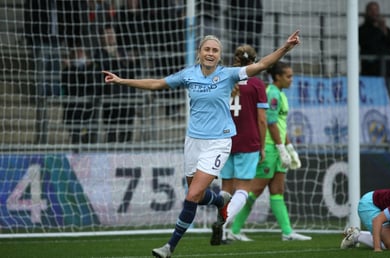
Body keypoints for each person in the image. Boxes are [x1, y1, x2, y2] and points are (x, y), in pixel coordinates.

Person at [102, 30, 301, 258]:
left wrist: (285, 47)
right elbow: (157, 84)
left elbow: (262, 64)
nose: (210, 53)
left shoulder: (228, 74)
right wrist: (121, 80)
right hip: (193, 141)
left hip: (218, 142)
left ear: (219, 55)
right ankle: (219, 201)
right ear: (199, 53)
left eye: (215, 50)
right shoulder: (189, 75)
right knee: (196, 193)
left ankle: (169, 246)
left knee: (191, 196)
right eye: (207, 49)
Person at [229, 61, 311, 242]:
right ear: (278, 77)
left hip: (278, 146)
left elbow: (281, 126)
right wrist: (281, 149)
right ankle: (233, 229)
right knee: (255, 189)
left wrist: (290, 148)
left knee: (277, 190)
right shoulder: (272, 93)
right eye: (288, 76)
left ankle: (287, 232)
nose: (292, 80)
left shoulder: (280, 94)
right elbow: (271, 123)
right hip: (269, 147)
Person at [209, 44, 268, 246]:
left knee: (226, 188)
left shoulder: (223, 79)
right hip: (248, 140)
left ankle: (222, 235)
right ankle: (223, 225)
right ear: (254, 60)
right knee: (243, 189)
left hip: (225, 140)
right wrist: (262, 146)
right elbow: (261, 119)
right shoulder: (257, 85)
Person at [94, 25, 137, 142]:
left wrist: (130, 62)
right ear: (102, 37)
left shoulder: (122, 51)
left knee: (127, 130)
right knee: (111, 131)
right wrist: (118, 61)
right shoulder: (99, 53)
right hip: (110, 97)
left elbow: (131, 71)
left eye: (112, 33)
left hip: (126, 96)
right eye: (107, 34)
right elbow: (104, 70)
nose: (110, 37)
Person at [61, 43, 99, 144]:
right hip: (73, 111)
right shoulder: (67, 70)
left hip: (88, 110)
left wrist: (88, 67)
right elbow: (69, 86)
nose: (79, 55)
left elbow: (92, 85)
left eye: (81, 52)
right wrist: (70, 68)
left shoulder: (93, 69)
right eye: (77, 52)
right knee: (75, 139)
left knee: (89, 139)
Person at [359, 1, 390, 78]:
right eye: (371, 10)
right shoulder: (362, 29)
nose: (374, 13)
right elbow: (366, 43)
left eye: (376, 10)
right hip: (369, 72)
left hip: (386, 70)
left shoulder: (385, 29)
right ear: (367, 12)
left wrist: (384, 29)